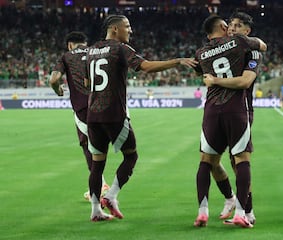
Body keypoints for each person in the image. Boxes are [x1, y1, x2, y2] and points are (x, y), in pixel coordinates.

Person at [85, 14, 197, 221]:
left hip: (93, 116)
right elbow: (145, 67)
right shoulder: (120, 48)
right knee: (131, 155)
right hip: (114, 115)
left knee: (97, 163)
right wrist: (177, 61)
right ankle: (111, 196)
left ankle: (95, 210)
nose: (131, 30)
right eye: (127, 26)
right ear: (115, 29)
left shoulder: (90, 51)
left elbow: (85, 82)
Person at [193, 14, 265, 228]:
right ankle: (231, 200)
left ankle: (247, 211)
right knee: (216, 161)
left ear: (247, 30)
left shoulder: (249, 50)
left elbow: (245, 80)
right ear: (224, 27)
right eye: (231, 25)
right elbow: (264, 45)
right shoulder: (239, 44)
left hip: (242, 107)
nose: (233, 28)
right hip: (229, 108)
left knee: (235, 161)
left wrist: (214, 79)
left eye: (238, 26)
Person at [49, 31, 109, 202]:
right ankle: (103, 185)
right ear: (85, 42)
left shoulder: (66, 56)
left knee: (88, 145)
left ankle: (100, 186)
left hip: (83, 108)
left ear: (69, 45)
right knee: (103, 144)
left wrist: (58, 90)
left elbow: (53, 80)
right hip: (103, 104)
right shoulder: (95, 52)